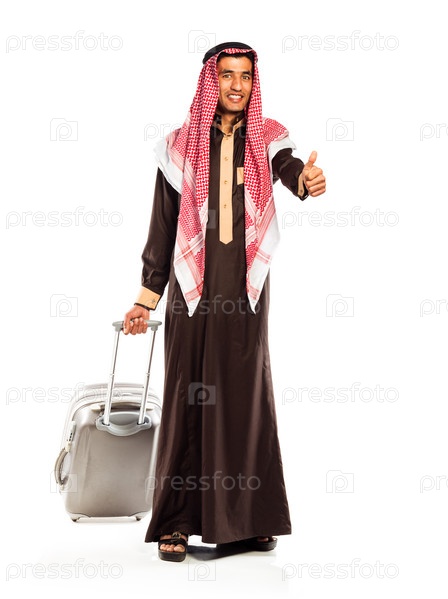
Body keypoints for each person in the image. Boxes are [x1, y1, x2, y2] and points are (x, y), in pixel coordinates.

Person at [123, 41, 326, 562]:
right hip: (191, 291)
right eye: (227, 75)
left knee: (244, 396)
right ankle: (176, 522)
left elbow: (288, 167)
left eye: (246, 76)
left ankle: (249, 521)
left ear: (255, 83)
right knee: (188, 396)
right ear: (210, 81)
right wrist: (147, 297)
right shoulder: (180, 145)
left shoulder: (267, 136)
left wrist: (304, 180)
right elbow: (163, 224)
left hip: (243, 290)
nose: (237, 86)